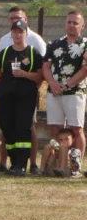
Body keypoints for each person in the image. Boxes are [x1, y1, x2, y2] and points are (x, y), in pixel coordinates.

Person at [0, 19, 45, 175]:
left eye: (20, 32)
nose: (17, 35)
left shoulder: (32, 52)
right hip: (6, 98)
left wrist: (25, 74)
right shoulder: (5, 53)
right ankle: (13, 162)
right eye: (14, 32)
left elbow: (41, 76)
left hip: (26, 97)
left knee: (23, 128)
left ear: (26, 34)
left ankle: (22, 164)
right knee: (7, 126)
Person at [43, 10, 87, 178]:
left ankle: (76, 166)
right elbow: (46, 66)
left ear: (82, 26)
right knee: (55, 128)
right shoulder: (54, 44)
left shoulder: (85, 44)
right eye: (69, 22)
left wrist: (68, 84)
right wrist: (52, 83)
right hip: (54, 91)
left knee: (76, 128)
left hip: (75, 92)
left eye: (75, 23)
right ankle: (57, 164)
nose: (71, 25)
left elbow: (85, 68)